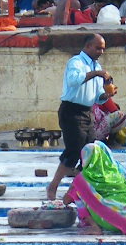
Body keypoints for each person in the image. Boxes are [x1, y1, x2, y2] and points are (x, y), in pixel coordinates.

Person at [46, 34, 110, 202]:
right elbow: (74, 81)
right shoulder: (76, 62)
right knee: (74, 151)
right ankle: (53, 186)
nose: (101, 52)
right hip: (71, 111)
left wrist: (107, 95)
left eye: (103, 48)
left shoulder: (97, 65)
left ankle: (72, 192)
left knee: (89, 154)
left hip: (87, 111)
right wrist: (96, 73)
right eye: (98, 48)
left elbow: (97, 97)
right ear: (88, 46)